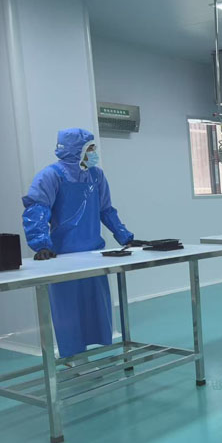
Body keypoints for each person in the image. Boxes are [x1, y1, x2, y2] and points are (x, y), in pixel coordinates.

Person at [22, 128, 142, 358]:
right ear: (76, 150)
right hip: (63, 258)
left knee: (96, 305)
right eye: (90, 148)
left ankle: (95, 352)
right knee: (68, 309)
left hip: (93, 255)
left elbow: (106, 210)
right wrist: (41, 244)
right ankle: (71, 358)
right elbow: (37, 209)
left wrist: (126, 237)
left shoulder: (96, 176)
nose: (94, 153)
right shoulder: (51, 176)